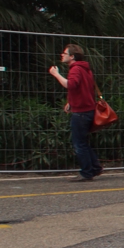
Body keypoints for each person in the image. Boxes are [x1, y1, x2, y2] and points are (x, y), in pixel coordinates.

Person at [48, 44, 102, 182]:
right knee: (83, 142)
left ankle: (87, 172)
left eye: (65, 53)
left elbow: (70, 85)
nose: (62, 55)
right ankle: (95, 167)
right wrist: (71, 102)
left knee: (79, 144)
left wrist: (56, 74)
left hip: (81, 112)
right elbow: (83, 89)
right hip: (88, 109)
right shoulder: (85, 68)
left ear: (72, 56)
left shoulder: (75, 69)